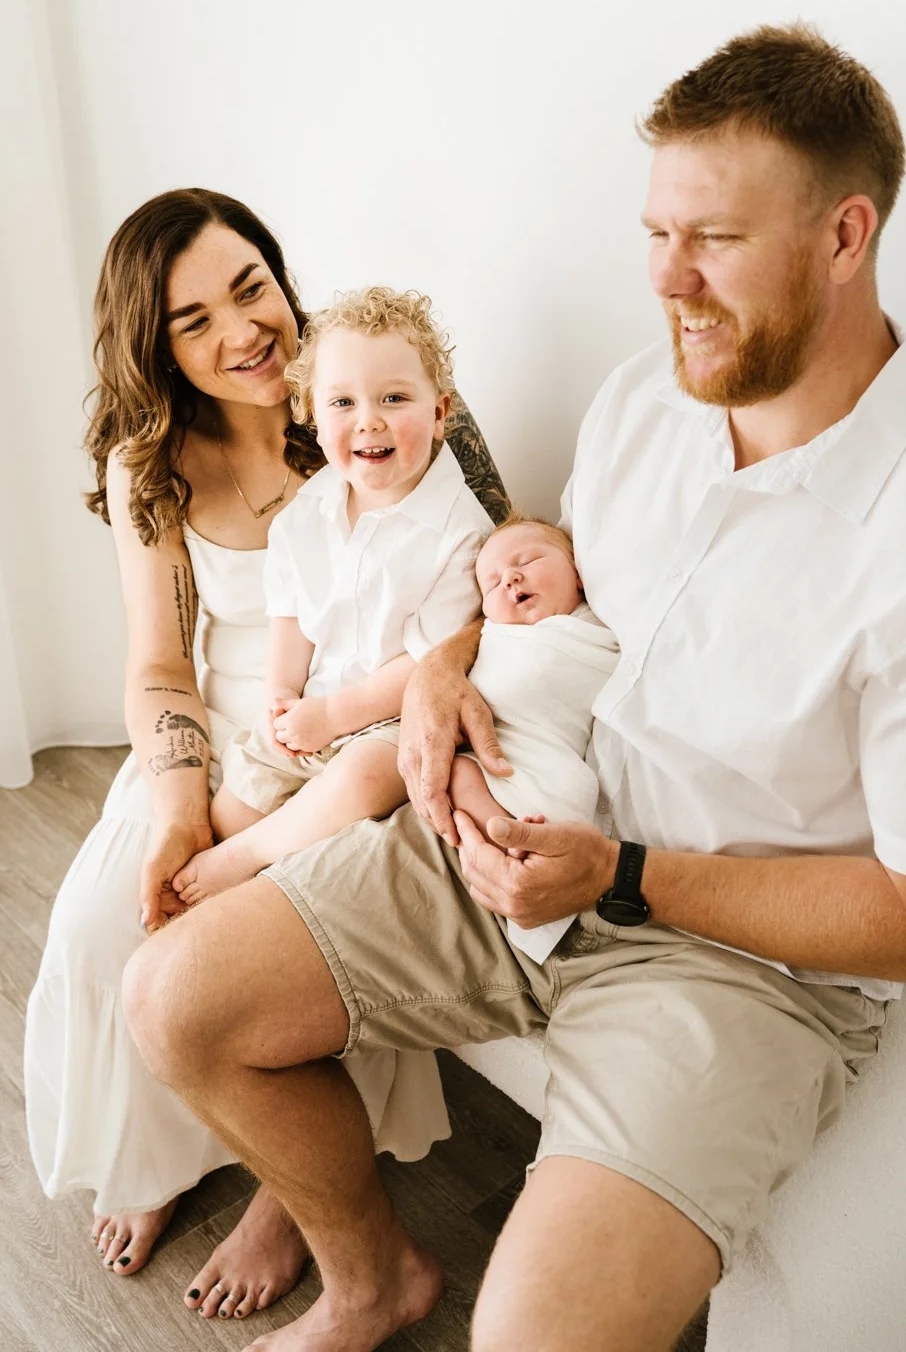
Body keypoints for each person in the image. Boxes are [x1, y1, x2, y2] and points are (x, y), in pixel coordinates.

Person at [122, 25, 906, 1352]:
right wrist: (442, 676)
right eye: (655, 233)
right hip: (518, 832)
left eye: (713, 240)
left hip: (735, 970)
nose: (668, 280)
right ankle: (369, 1278)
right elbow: (558, 590)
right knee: (172, 1000)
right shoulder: (648, 398)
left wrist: (621, 875)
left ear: (844, 235)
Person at [22, 188, 509, 1324]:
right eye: (195, 321)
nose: (244, 332)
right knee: (103, 926)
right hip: (228, 729)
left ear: (281, 280)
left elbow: (503, 572)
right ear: (158, 347)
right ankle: (157, 1153)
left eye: (252, 290)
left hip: (366, 709)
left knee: (300, 906)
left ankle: (292, 1194)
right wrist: (180, 807)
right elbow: (160, 666)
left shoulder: (371, 389)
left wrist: (424, 681)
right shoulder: (150, 461)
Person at [172, 286, 493, 905]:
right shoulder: (306, 514)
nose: (369, 420)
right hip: (313, 704)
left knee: (365, 776)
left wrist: (335, 718)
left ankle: (251, 856)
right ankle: (242, 855)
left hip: (388, 720)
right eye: (343, 402)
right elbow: (290, 614)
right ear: (313, 419)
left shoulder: (460, 533)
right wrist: (281, 694)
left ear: (440, 413)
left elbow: (427, 661)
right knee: (234, 802)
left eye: (394, 398)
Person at [448, 517, 618, 960]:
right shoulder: (496, 637)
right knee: (460, 773)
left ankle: (518, 842)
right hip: (500, 756)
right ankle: (505, 840)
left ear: (578, 572)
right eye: (492, 583)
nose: (510, 578)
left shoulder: (597, 628)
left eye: (527, 561)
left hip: (553, 765)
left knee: (467, 773)